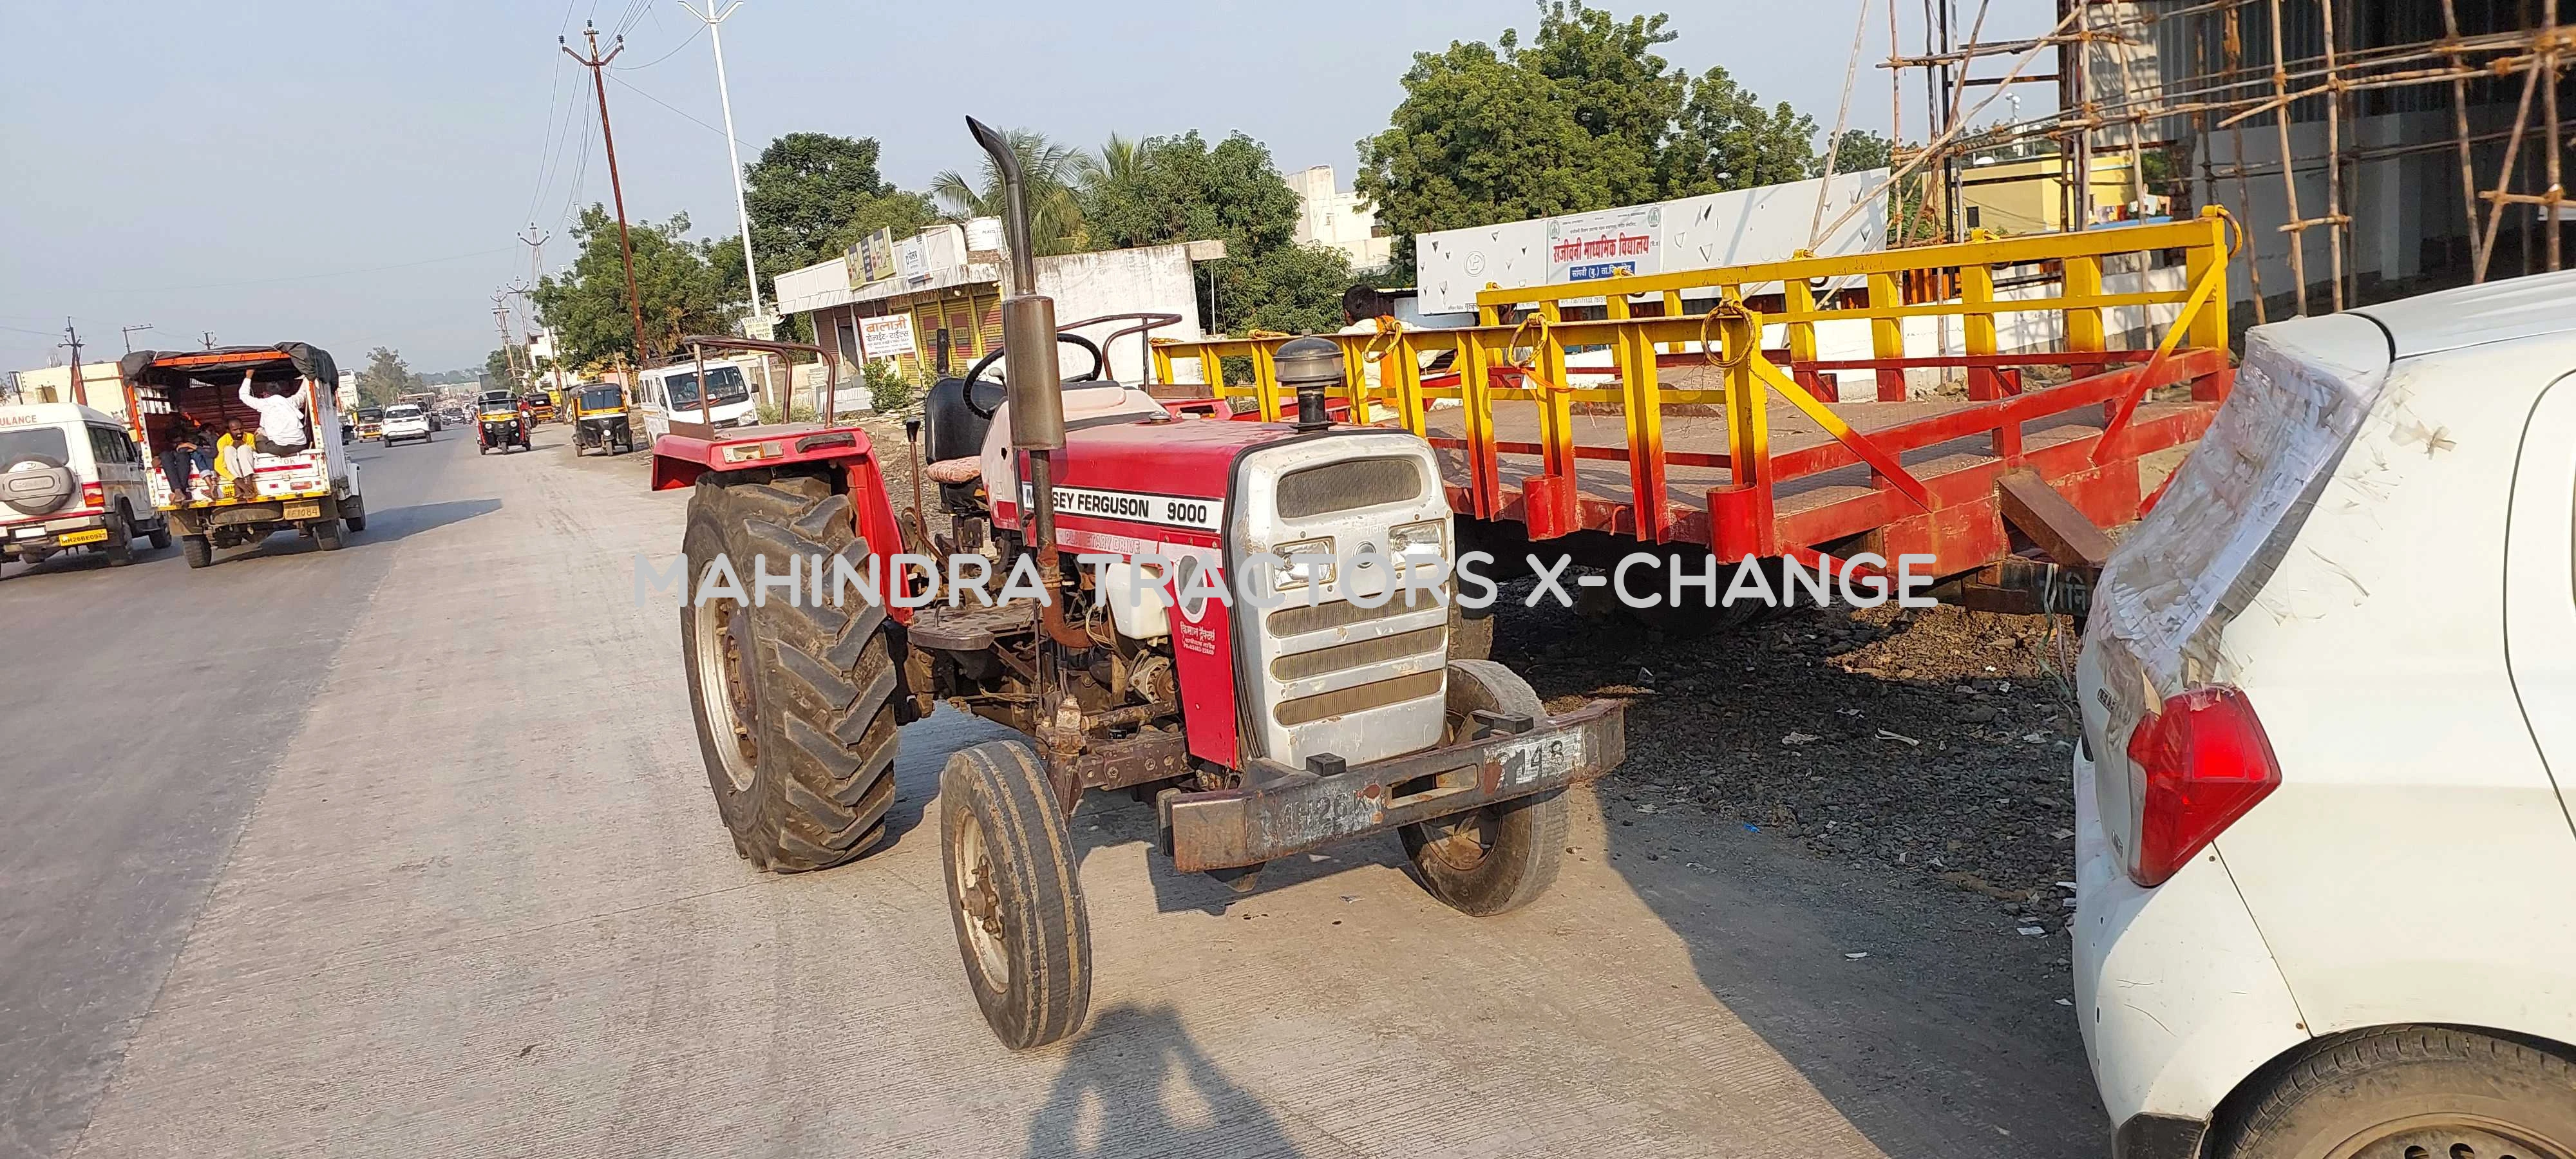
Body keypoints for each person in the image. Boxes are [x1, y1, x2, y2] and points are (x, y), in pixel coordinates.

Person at [236, 370, 310, 456]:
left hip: (279, 448)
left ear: (266, 394)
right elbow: (303, 393)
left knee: (259, 436)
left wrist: (248, 376)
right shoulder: (291, 402)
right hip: (300, 446)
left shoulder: (263, 404)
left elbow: (243, 395)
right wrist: (307, 376)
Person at [158, 411, 211, 504]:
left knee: (182, 455)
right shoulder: (168, 444)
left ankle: (179, 491)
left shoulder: (190, 435)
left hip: (184, 454)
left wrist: (187, 447)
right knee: (165, 456)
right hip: (170, 453)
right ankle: (179, 491)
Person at [214, 417, 259, 500]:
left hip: (248, 469)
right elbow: (219, 466)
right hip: (237, 477)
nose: (239, 432)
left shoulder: (249, 437)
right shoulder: (223, 441)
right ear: (228, 431)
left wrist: (241, 446)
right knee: (228, 449)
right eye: (235, 430)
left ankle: (250, 484)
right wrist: (239, 483)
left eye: (241, 429)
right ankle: (241, 487)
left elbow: (256, 453)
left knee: (244, 448)